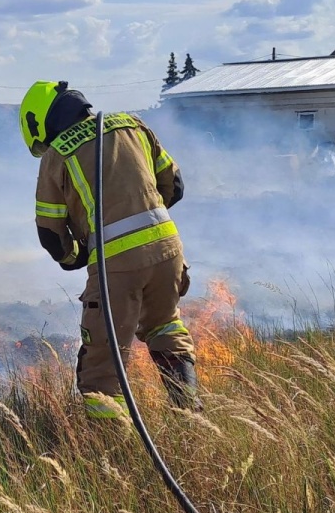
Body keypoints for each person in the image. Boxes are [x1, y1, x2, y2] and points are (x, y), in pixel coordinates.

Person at [20, 80, 200, 418]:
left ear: (40, 121)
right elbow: (174, 186)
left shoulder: (58, 153)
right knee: (165, 326)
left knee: (102, 366)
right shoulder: (133, 125)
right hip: (168, 251)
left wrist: (75, 257)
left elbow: (51, 235)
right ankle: (189, 413)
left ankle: (113, 450)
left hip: (115, 267)